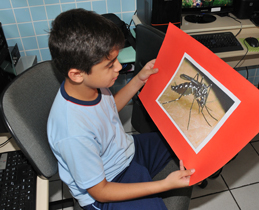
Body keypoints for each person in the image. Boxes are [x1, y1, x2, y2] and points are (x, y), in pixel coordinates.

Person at [47, 8, 195, 210]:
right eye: (110, 64)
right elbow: (101, 191)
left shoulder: (92, 84)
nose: (118, 67)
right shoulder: (73, 132)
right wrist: (163, 185)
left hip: (125, 150)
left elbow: (107, 111)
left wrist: (138, 80)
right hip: (109, 184)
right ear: (77, 74)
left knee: (186, 140)